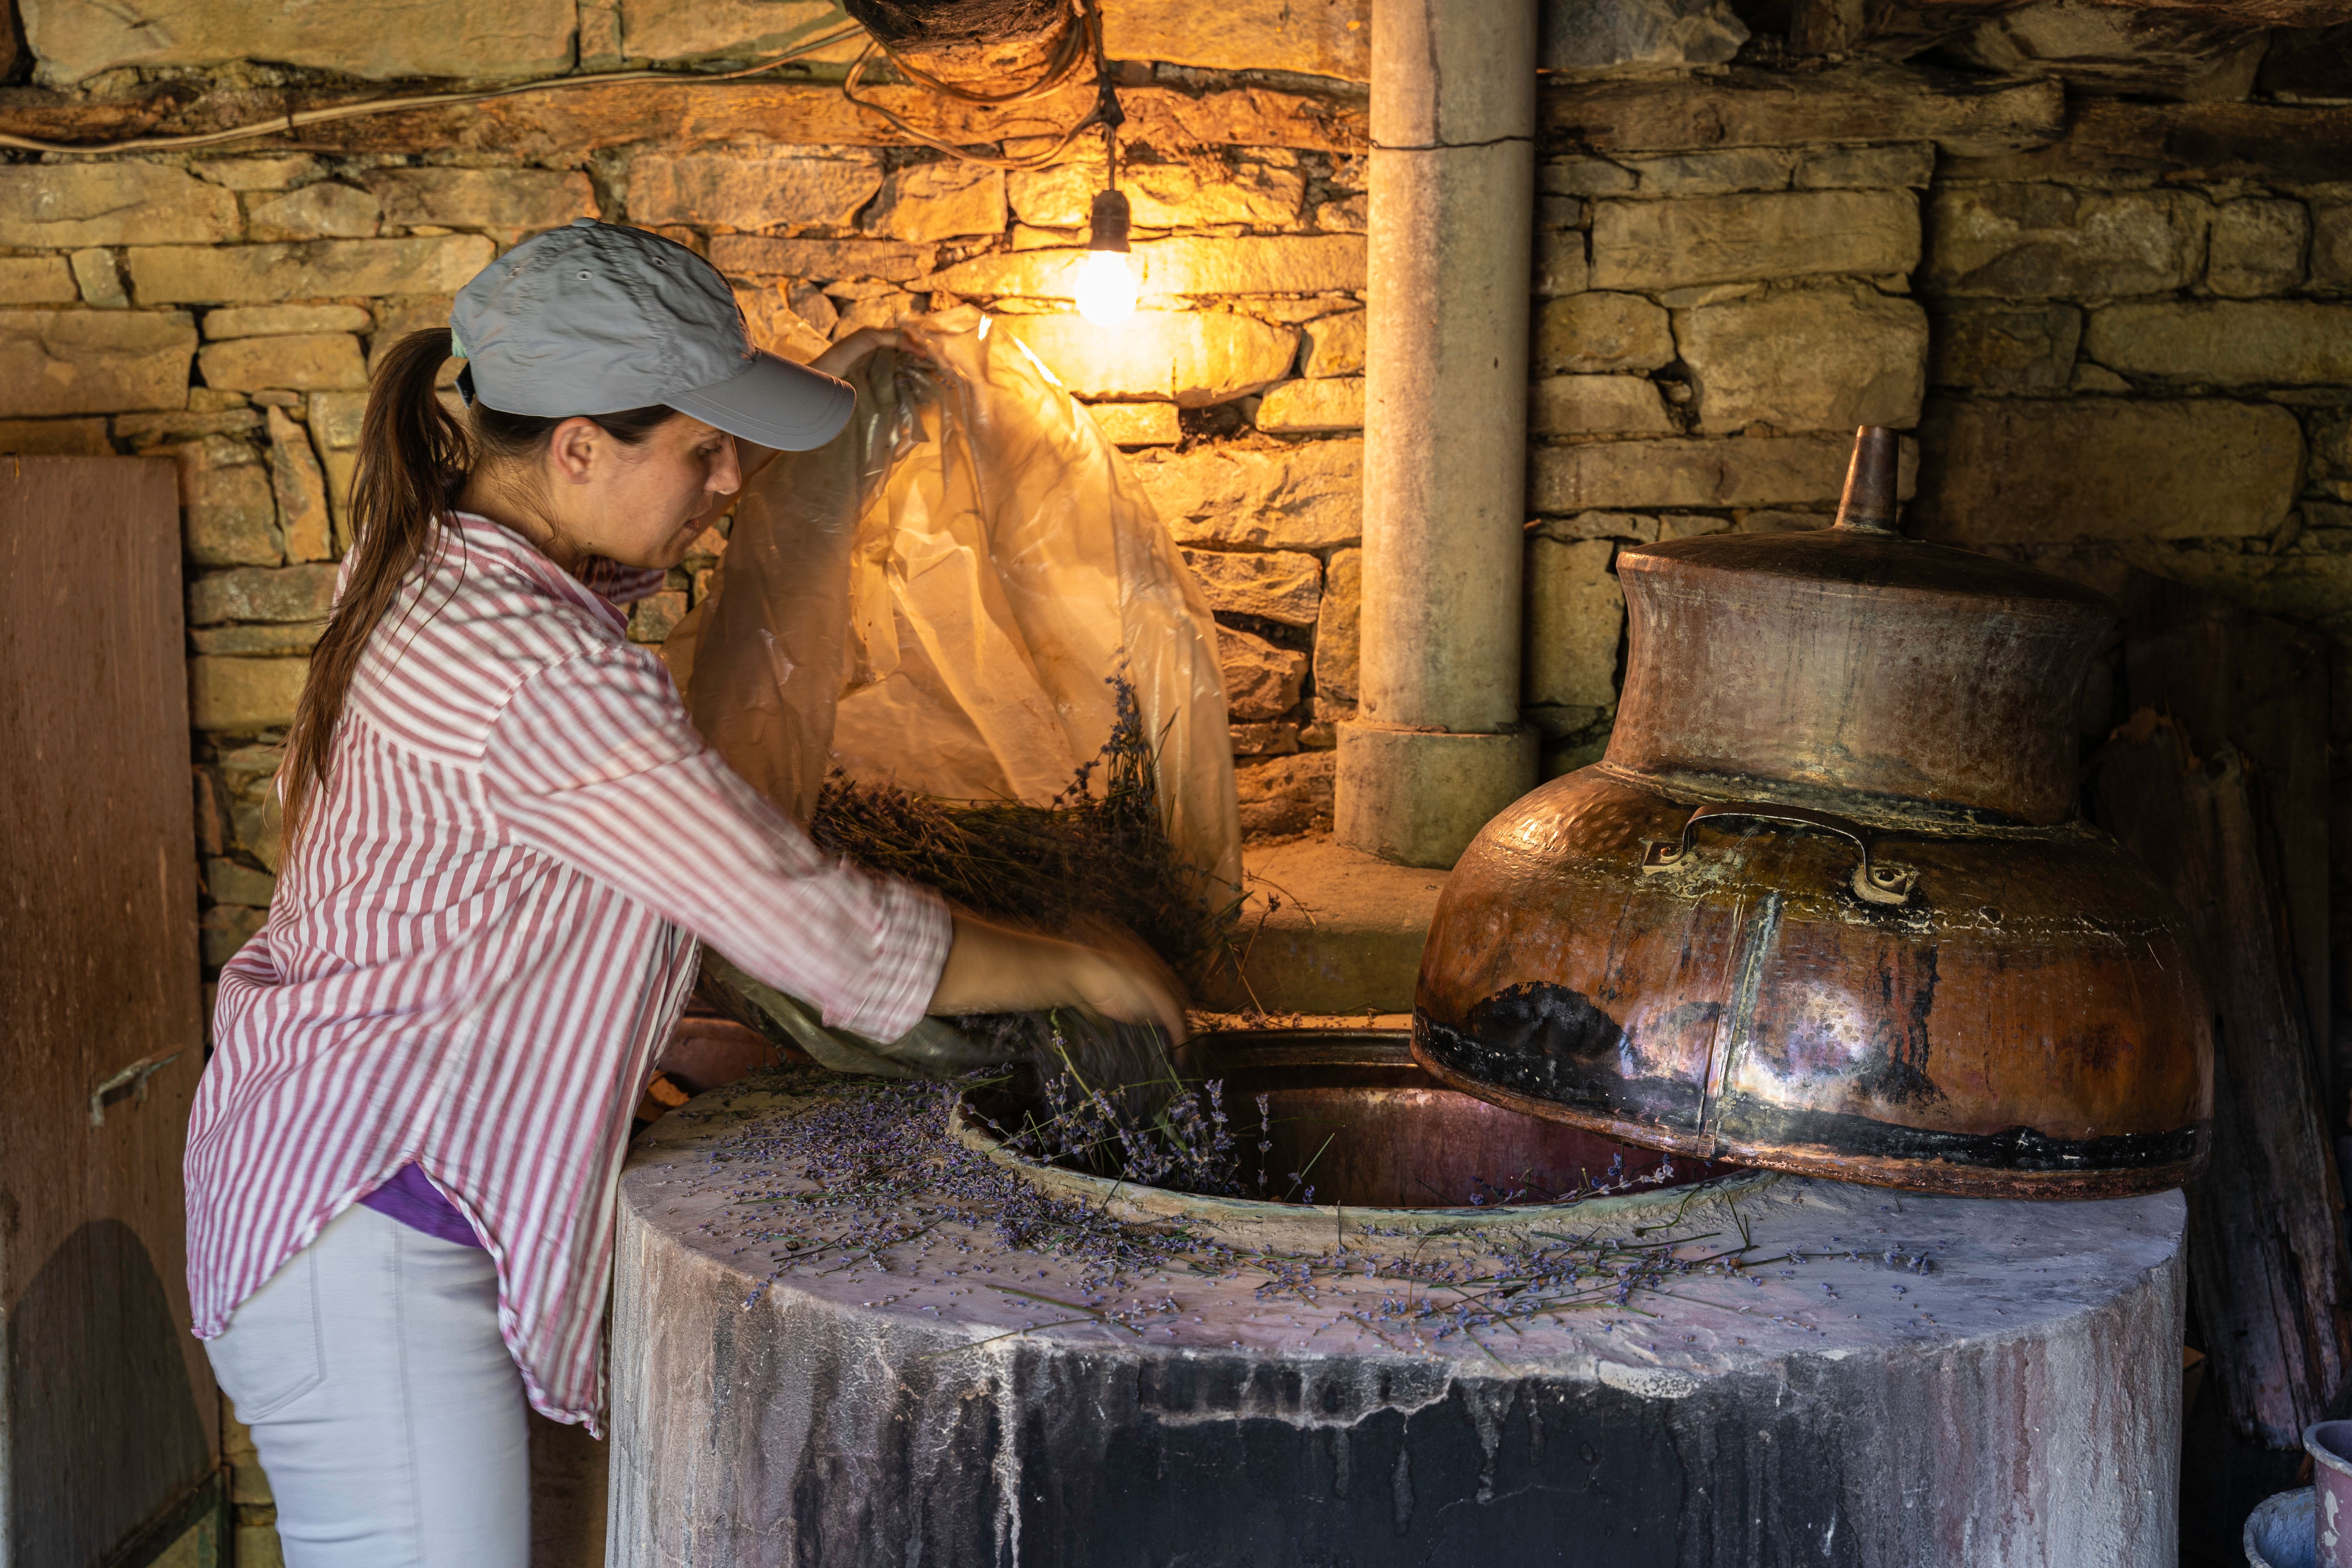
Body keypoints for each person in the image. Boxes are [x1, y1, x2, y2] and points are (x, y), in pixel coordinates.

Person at [183, 219, 1185, 1566]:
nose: (725, 479)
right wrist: (1076, 965)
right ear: (579, 446)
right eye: (701, 448)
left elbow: (494, 892)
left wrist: (640, 1034)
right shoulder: (541, 668)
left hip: (346, 1184)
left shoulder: (430, 555)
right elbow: (816, 927)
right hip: (373, 1241)